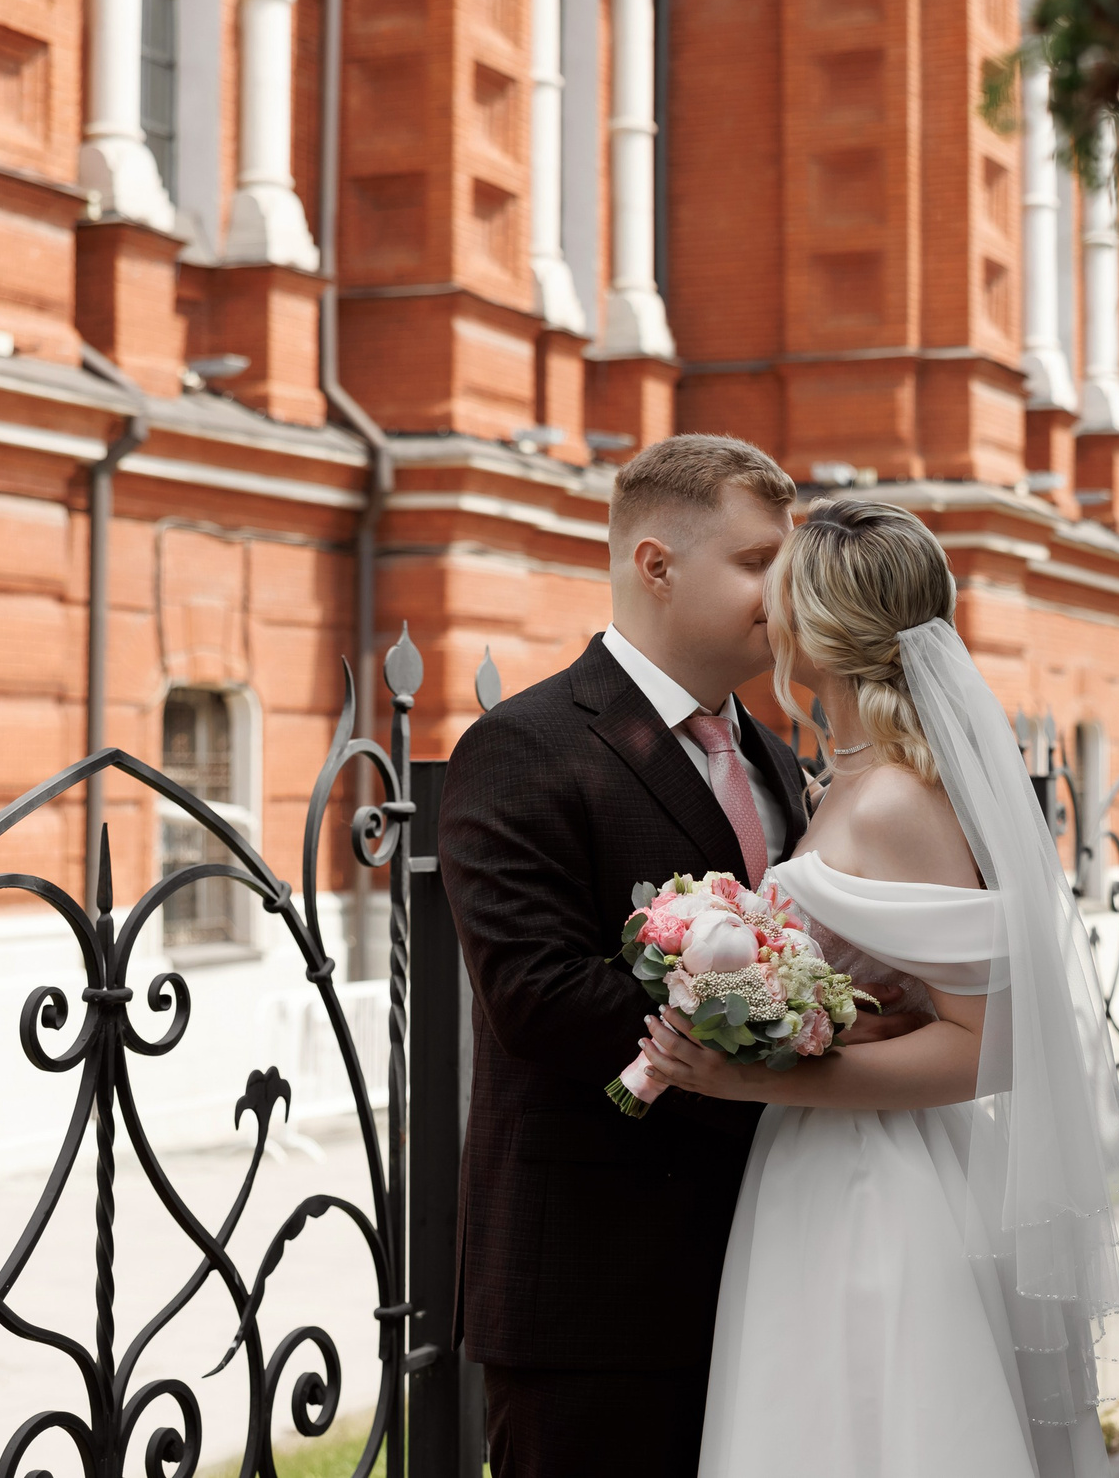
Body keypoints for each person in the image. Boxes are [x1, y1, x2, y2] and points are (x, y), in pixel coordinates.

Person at [635, 498, 1119, 1477]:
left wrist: (755, 1076)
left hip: (877, 1183)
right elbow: (895, 993)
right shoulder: (839, 777)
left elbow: (988, 1044)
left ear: (818, 626)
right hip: (811, 1163)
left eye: (781, 587)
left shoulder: (893, 796)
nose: (765, 608)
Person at [438, 436, 914, 1478]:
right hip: (596, 1287)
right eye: (755, 562)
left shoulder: (777, 757)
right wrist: (787, 1031)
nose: (784, 589)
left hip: (777, 1263)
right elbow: (537, 995)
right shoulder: (524, 747)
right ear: (655, 565)